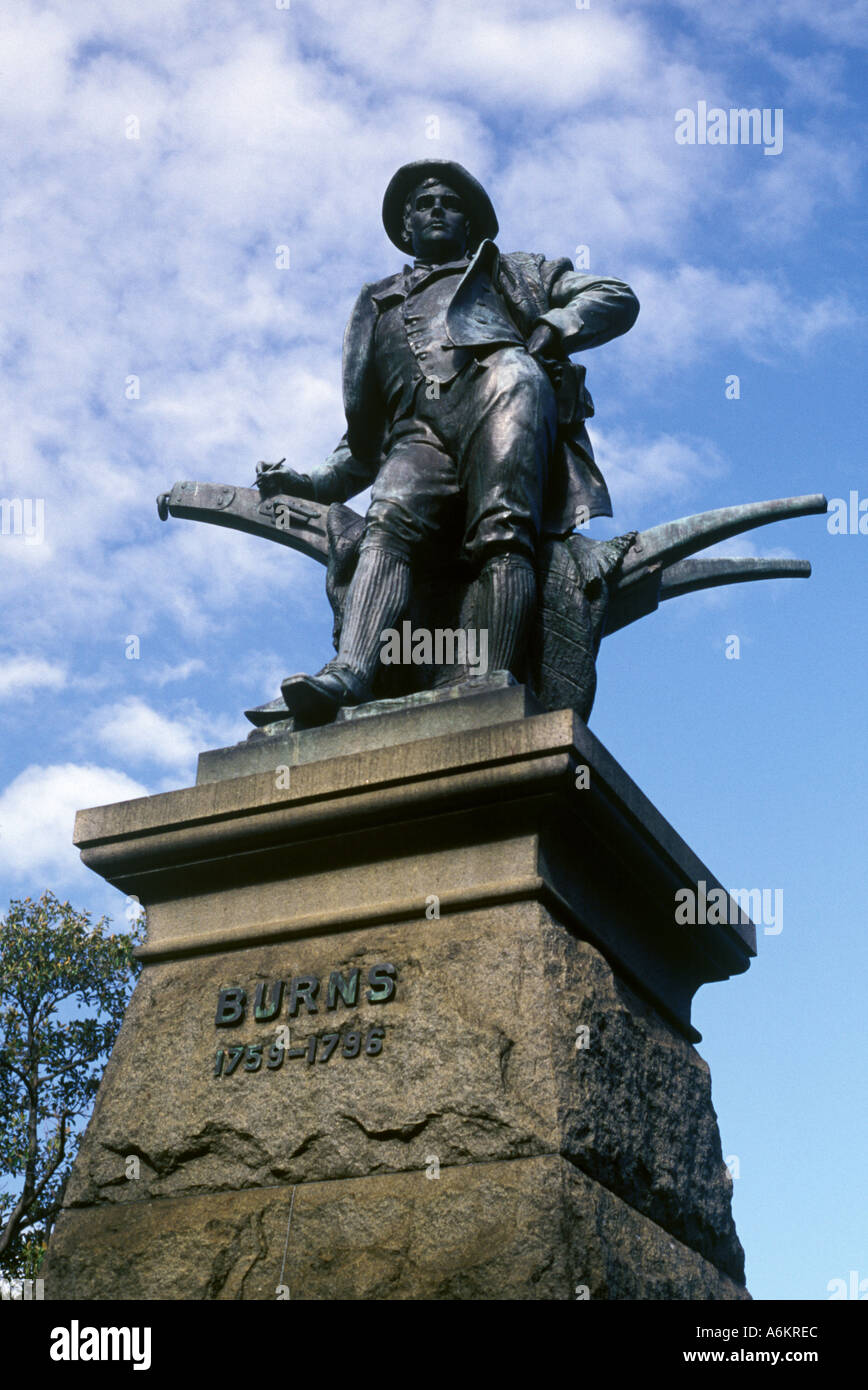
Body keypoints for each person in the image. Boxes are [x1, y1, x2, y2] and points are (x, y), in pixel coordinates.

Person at [257, 159, 639, 726]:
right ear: (406, 226)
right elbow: (361, 446)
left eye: (449, 202)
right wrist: (306, 482)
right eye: (423, 203)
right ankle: (351, 672)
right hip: (417, 432)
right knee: (386, 521)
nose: (436, 209)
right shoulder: (375, 303)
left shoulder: (515, 271)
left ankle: (491, 678)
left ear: (470, 223)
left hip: (501, 386)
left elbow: (615, 295)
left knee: (505, 529)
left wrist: (557, 325)